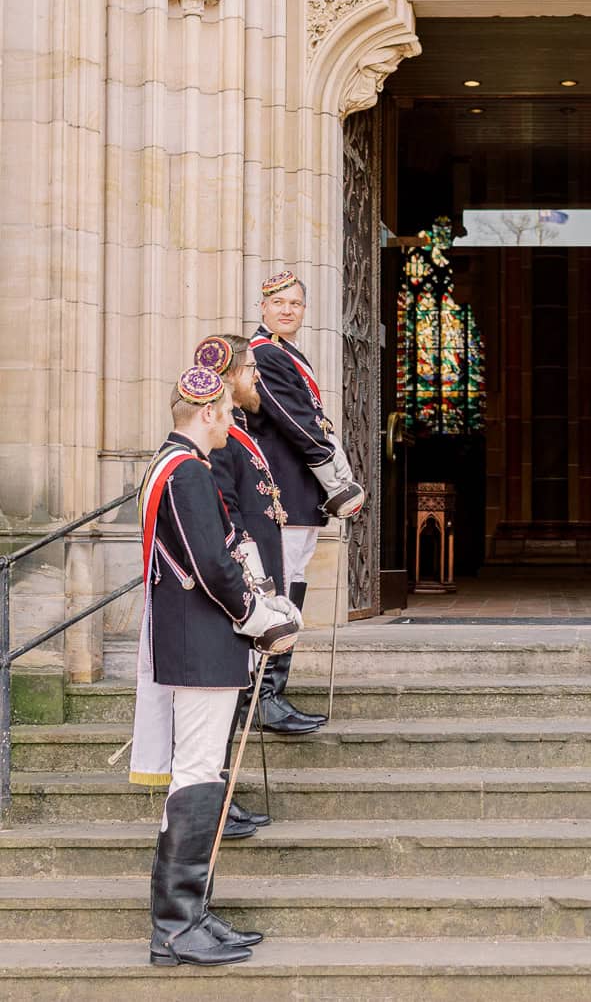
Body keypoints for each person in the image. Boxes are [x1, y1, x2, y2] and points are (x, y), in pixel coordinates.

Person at [130, 366, 303, 967]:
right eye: (228, 410)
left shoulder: (169, 467)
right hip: (203, 644)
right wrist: (262, 617)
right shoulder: (188, 473)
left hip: (194, 639)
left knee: (199, 774)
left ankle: (192, 915)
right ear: (206, 413)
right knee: (198, 774)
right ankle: (177, 928)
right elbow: (211, 564)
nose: (233, 420)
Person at [250, 271, 365, 733]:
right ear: (262, 308)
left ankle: (272, 694)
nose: (287, 310)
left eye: (295, 304)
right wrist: (337, 479)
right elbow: (298, 423)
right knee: (279, 588)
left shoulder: (288, 354)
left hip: (300, 490)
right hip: (283, 489)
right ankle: (263, 699)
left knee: (292, 583)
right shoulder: (265, 355)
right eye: (278, 302)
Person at [195, 333, 287, 833]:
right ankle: (215, 804)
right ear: (230, 377)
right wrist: (252, 578)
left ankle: (222, 798)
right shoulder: (222, 436)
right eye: (251, 369)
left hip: (255, 575)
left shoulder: (240, 428)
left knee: (234, 699)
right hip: (241, 582)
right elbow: (226, 508)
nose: (257, 377)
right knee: (225, 705)